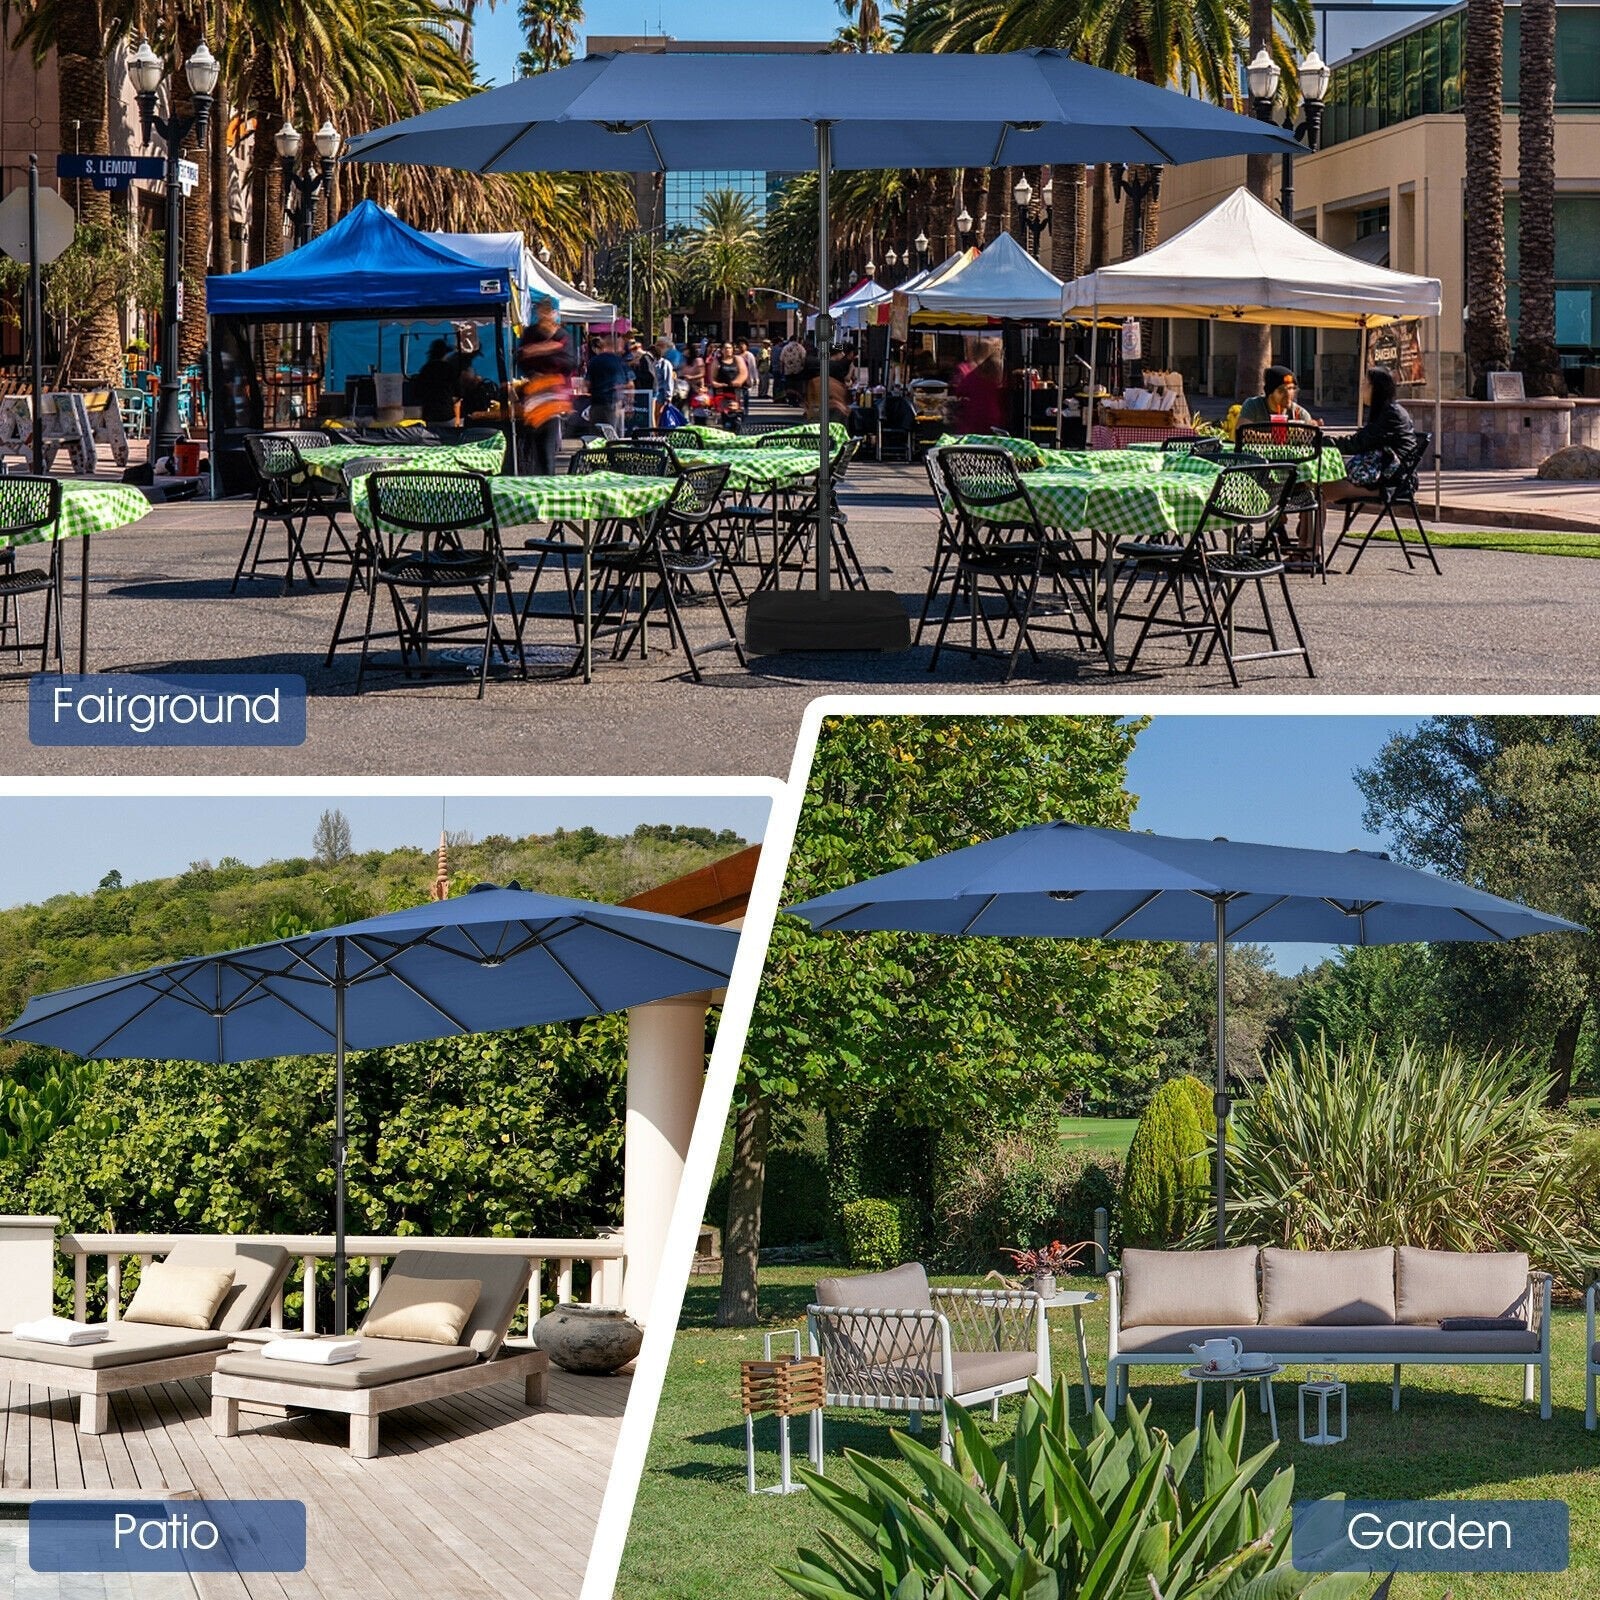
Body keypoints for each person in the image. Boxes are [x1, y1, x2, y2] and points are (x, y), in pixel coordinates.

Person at [1326, 366, 1418, 499]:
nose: (1361, 389)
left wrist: (1321, 441)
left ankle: (1307, 520)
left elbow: (1357, 444)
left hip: (1396, 481)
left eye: (1365, 384)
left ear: (1376, 388)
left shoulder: (1392, 414)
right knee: (1322, 484)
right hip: (1381, 474)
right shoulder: (1385, 411)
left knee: (1325, 488)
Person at [515, 303, 573, 475]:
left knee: (547, 451)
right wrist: (543, 349)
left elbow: (570, 362)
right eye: (542, 313)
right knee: (531, 450)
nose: (545, 317)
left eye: (549, 313)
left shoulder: (562, 335)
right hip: (533, 397)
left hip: (552, 399)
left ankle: (547, 483)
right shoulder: (531, 333)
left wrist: (538, 350)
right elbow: (521, 357)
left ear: (554, 314)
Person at [1236, 365, 1320, 429]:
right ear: (1270, 392)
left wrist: (1309, 431)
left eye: (1291, 388)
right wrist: (1284, 437)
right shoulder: (1253, 406)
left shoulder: (1299, 413)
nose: (1288, 394)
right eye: (1282, 390)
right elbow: (1242, 433)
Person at [951, 338, 1005, 434]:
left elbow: (960, 390)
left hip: (974, 414)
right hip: (995, 413)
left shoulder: (970, 371)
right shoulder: (999, 370)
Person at [585, 334, 632, 436]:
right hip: (615, 403)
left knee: (596, 437)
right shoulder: (620, 362)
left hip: (596, 403)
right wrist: (629, 404)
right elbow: (630, 384)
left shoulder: (593, 361)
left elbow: (587, 383)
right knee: (614, 437)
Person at [413, 338, 458, 427]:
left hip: (430, 414)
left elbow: (417, 392)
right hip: (446, 413)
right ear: (445, 354)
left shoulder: (425, 369)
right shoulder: (449, 368)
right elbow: (457, 390)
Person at [711, 341, 745, 416]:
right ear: (722, 350)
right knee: (723, 412)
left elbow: (743, 373)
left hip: (735, 390)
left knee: (735, 411)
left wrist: (737, 381)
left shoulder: (737, 359)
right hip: (722, 390)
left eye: (729, 348)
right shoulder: (717, 361)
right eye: (725, 348)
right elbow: (712, 377)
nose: (728, 350)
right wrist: (716, 384)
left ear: (733, 349)